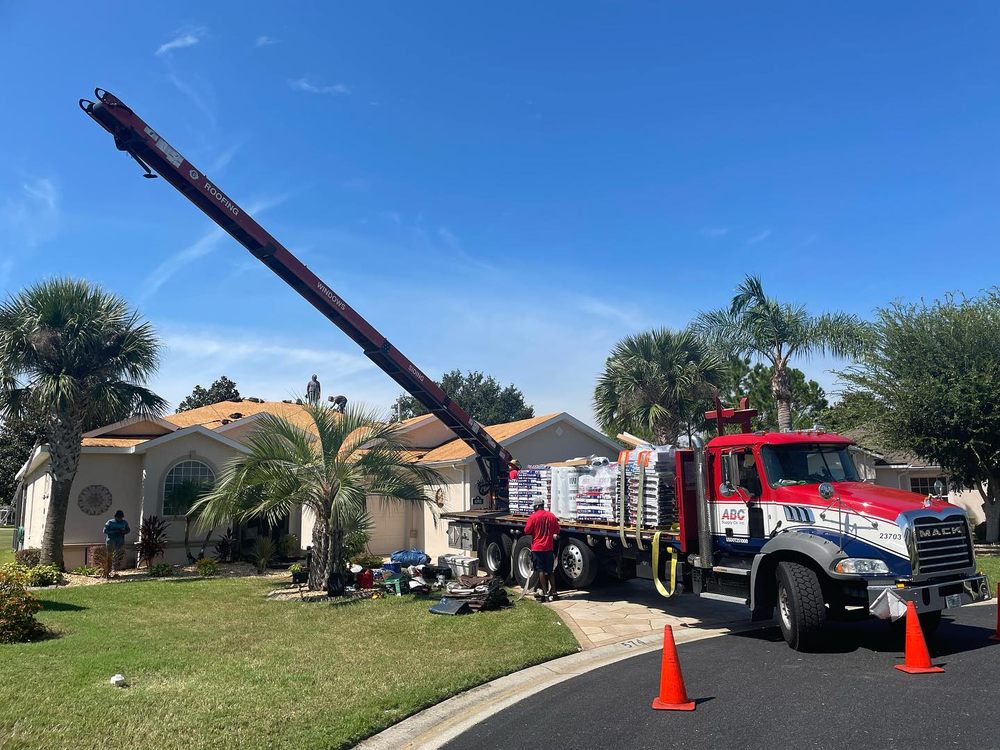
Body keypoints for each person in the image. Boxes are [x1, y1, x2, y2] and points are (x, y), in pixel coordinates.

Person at [523, 497, 560, 602]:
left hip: (537, 548)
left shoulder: (533, 517)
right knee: (550, 570)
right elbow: (557, 530)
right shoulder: (551, 516)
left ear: (537, 506)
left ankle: (545, 594)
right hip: (549, 547)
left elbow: (527, 531)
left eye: (534, 507)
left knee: (541, 570)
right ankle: (554, 591)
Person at [103, 510, 130, 576]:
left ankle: (115, 569)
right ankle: (108, 570)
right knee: (110, 555)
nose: (119, 518)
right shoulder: (110, 522)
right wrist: (114, 531)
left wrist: (124, 531)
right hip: (111, 541)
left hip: (120, 541)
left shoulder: (124, 522)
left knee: (118, 555)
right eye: (118, 517)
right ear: (115, 517)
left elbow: (128, 530)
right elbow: (104, 531)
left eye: (121, 517)